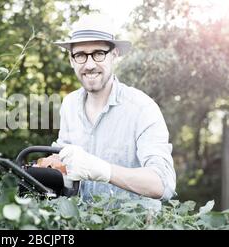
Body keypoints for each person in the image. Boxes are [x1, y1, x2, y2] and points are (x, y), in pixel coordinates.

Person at [45, 14, 176, 206]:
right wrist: (40, 167)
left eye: (99, 53)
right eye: (80, 55)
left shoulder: (142, 109)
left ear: (114, 55)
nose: (89, 65)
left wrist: (104, 171)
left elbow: (162, 183)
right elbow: (63, 158)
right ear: (71, 60)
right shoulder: (69, 105)